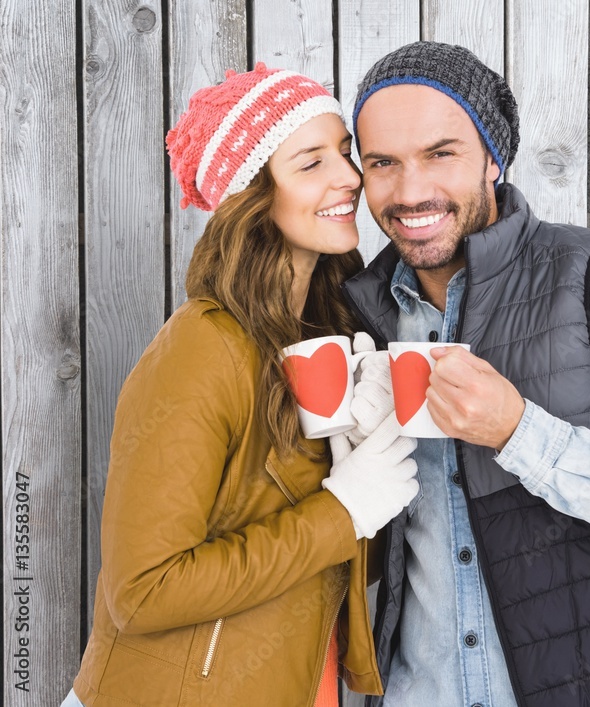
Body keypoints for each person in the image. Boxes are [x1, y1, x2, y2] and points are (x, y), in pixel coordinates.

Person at [342, 42, 590, 707]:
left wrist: (519, 431)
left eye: (441, 154)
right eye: (383, 162)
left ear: (493, 159)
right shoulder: (360, 316)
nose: (410, 190)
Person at [62, 64, 418, 707]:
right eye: (310, 163)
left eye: (344, 153)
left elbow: (321, 561)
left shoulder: (326, 335)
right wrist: (343, 508)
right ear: (252, 195)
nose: (350, 177)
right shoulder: (202, 347)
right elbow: (142, 591)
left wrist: (362, 466)